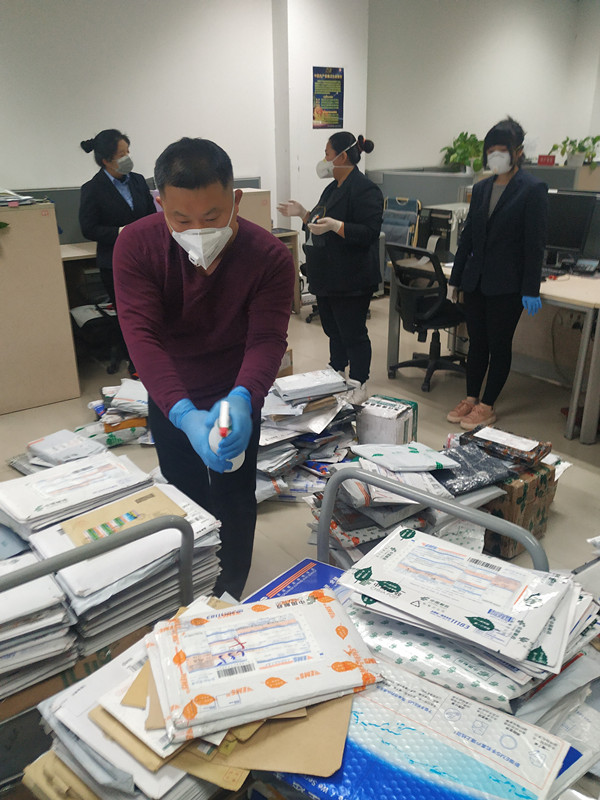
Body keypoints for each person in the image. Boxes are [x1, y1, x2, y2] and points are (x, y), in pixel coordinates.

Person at [113, 137, 295, 599]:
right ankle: (192, 587)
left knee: (235, 494)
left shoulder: (269, 256)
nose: (198, 230)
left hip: (236, 391)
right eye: (181, 219)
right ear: (160, 204)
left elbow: (266, 339)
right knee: (183, 491)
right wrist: (182, 413)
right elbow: (142, 338)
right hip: (171, 392)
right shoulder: (136, 245)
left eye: (212, 217)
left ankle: (229, 589)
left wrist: (244, 397)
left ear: (236, 199)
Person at [447, 117, 548, 430]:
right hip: (476, 281)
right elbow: (468, 238)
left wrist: (530, 288)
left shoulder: (532, 189)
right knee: (477, 342)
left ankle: (487, 406)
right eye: (490, 151)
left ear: (517, 152)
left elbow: (535, 244)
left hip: (507, 285)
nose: (495, 156)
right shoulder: (481, 188)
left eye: (501, 150)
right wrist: (455, 279)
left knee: (498, 345)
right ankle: (471, 398)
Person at [278, 132, 383, 405]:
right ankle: (336, 371)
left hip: (352, 277)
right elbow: (318, 222)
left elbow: (369, 232)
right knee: (333, 330)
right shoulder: (332, 188)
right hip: (327, 275)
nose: (324, 160)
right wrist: (303, 213)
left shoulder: (365, 189)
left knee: (353, 332)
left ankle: (359, 381)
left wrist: (338, 226)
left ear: (342, 156)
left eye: (327, 154)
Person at [79, 129, 156, 374]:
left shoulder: (138, 181)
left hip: (144, 259)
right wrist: (119, 232)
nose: (127, 158)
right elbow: (89, 228)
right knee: (128, 314)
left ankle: (152, 355)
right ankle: (135, 361)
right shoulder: (93, 188)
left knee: (149, 309)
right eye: (121, 154)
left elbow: (151, 216)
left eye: (128, 151)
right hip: (114, 261)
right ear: (106, 160)